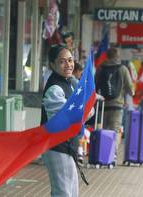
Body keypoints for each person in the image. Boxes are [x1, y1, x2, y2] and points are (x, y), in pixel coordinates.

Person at [41, 45, 90, 197]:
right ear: (52, 65)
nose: (68, 64)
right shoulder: (54, 88)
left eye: (70, 60)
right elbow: (66, 117)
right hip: (56, 146)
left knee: (71, 192)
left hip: (68, 146)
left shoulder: (72, 82)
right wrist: (84, 110)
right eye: (62, 61)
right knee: (63, 193)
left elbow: (86, 108)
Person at [95, 47, 134, 154]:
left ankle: (101, 154)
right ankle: (111, 154)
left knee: (102, 129)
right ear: (117, 56)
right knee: (115, 130)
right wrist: (130, 93)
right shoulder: (123, 69)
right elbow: (130, 88)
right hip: (117, 105)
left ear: (107, 56)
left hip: (102, 104)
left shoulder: (100, 68)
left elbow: (94, 85)